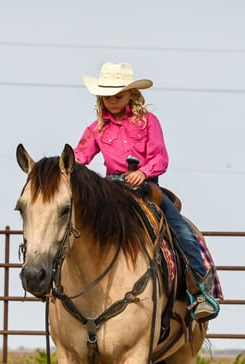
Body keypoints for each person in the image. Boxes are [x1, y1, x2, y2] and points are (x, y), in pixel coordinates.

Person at [74, 62, 220, 322]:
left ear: (131, 94)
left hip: (146, 187)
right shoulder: (97, 129)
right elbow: (79, 155)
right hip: (111, 190)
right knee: (77, 228)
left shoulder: (148, 122)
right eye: (107, 96)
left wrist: (142, 172)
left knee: (181, 230)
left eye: (118, 95)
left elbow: (160, 157)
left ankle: (200, 291)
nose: (112, 101)